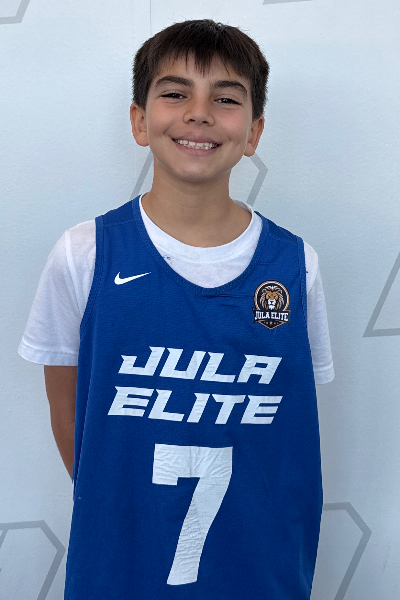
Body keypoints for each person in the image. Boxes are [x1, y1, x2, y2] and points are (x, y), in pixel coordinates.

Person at [18, 18, 334, 600]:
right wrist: (121, 502)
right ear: (139, 120)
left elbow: (288, 429)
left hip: (257, 568)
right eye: (174, 93)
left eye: (226, 98)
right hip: (120, 566)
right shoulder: (84, 253)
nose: (199, 113)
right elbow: (69, 415)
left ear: (254, 131)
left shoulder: (296, 266)